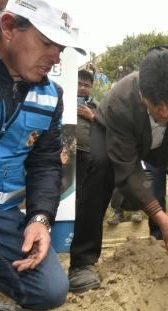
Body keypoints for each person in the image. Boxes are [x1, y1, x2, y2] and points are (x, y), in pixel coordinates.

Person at [0, 0, 86, 310]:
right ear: (10, 27)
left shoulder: (51, 96)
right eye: (48, 43)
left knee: (50, 289)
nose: (56, 57)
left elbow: (45, 164)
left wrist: (40, 218)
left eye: (61, 48)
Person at [69, 46, 168, 293]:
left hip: (164, 146)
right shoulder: (120, 101)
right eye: (157, 106)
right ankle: (82, 263)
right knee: (101, 169)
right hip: (114, 137)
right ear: (141, 94)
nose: (165, 113)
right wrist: (158, 214)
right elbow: (126, 166)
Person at [76, 70, 96, 208]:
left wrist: (92, 116)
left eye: (87, 85)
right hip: (66, 151)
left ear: (91, 87)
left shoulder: (97, 105)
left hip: (87, 152)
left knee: (83, 188)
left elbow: (107, 127)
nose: (83, 88)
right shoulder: (63, 99)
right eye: (79, 84)